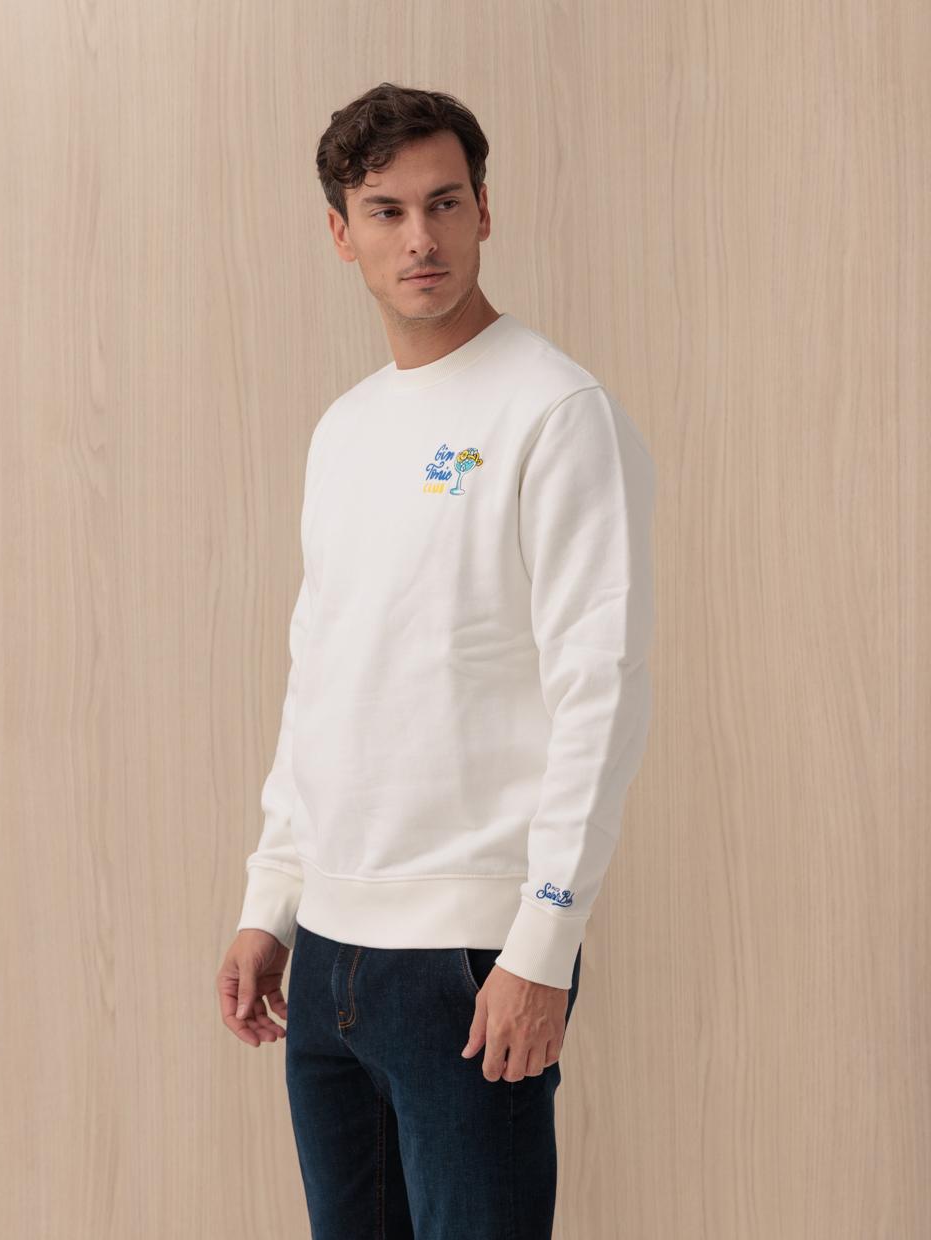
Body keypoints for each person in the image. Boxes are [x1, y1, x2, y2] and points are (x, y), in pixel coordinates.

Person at [215, 81, 656, 1239]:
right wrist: (272, 896)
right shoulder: (345, 428)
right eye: (386, 210)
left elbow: (599, 688)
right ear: (340, 233)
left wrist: (542, 944)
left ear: (483, 212)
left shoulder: (554, 410)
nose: (420, 237)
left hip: (469, 956)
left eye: (444, 203)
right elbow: (323, 672)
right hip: (328, 953)